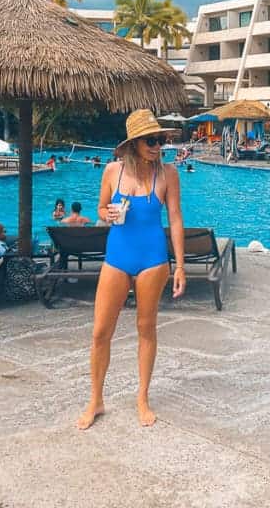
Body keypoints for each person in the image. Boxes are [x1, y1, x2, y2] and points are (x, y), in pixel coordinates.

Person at [78, 110, 185, 431]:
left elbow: (176, 218)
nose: (158, 146)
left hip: (153, 258)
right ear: (134, 144)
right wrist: (106, 212)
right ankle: (96, 399)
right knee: (100, 332)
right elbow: (100, 208)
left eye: (161, 140)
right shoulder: (112, 171)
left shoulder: (168, 174)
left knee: (146, 328)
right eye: (151, 141)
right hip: (118, 256)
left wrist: (179, 265)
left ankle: (142, 397)